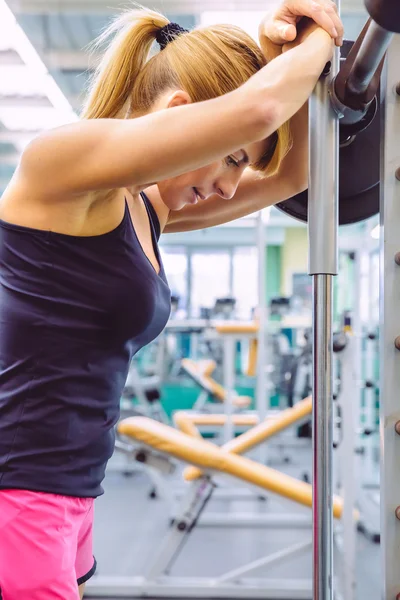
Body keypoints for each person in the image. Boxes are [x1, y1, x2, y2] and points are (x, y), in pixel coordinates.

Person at [0, 0, 343, 598]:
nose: (233, 185)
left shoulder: (144, 210)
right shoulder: (60, 163)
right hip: (19, 485)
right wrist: (319, 36)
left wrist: (296, 63)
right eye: (235, 157)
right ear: (183, 113)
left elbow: (291, 178)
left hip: (71, 486)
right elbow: (258, 108)